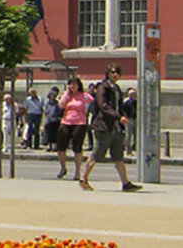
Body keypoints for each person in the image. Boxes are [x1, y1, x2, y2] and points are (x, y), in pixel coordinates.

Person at [79, 64, 141, 192]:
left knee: (118, 156)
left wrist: (122, 118)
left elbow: (119, 106)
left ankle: (126, 183)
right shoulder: (103, 87)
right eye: (113, 72)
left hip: (117, 127)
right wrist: (119, 117)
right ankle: (83, 178)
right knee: (97, 153)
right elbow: (103, 106)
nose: (115, 75)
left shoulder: (116, 88)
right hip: (104, 126)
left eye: (118, 72)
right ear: (107, 73)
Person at [56, 77, 91, 180]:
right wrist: (67, 93)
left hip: (80, 122)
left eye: (74, 84)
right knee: (61, 147)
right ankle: (63, 167)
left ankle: (77, 172)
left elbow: (92, 102)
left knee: (77, 147)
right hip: (66, 121)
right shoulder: (66, 95)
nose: (72, 86)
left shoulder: (84, 96)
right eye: (70, 84)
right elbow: (61, 105)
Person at [43, 86, 62, 152]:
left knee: (55, 134)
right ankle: (49, 146)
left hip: (55, 120)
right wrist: (45, 120)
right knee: (48, 134)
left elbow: (59, 111)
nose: (52, 97)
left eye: (53, 95)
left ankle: (55, 146)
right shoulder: (47, 103)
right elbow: (45, 112)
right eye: (51, 95)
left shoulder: (57, 103)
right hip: (49, 120)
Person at [121, 87, 137, 155]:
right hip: (129, 119)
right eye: (132, 94)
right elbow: (124, 111)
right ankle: (128, 150)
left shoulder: (136, 102)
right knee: (128, 135)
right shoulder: (126, 102)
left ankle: (135, 148)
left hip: (135, 119)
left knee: (136, 135)